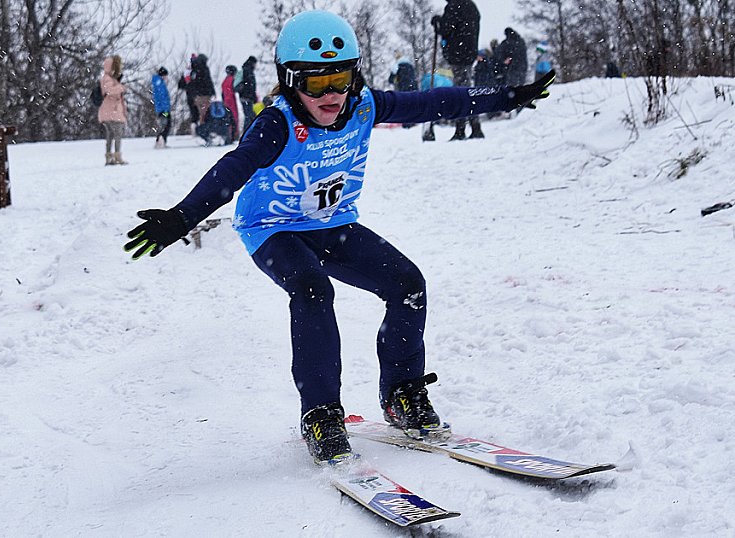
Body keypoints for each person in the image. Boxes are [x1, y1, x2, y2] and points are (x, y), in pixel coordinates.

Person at [124, 10, 555, 465]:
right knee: (312, 291)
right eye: (315, 83)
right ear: (290, 82)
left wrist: (506, 96)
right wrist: (182, 217)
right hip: (273, 230)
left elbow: (433, 102)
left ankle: (402, 395)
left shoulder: (365, 104)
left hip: (332, 224)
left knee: (408, 286)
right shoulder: (278, 123)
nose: (331, 93)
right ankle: (321, 414)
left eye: (341, 77)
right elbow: (234, 168)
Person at [432, 0, 484, 140]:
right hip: (469, 53)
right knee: (466, 89)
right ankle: (474, 126)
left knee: (460, 91)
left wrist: (438, 22)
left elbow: (445, 29)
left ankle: (461, 129)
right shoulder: (471, 5)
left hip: (458, 54)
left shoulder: (454, 6)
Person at [98, 55, 128, 165]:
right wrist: (122, 88)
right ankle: (117, 156)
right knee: (117, 134)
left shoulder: (107, 78)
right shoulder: (108, 79)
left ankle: (109, 156)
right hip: (113, 111)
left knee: (110, 136)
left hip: (108, 111)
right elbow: (109, 90)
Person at [178, 53, 215, 137]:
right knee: (204, 114)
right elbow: (208, 81)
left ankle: (195, 131)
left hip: (192, 96)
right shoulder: (203, 69)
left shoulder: (189, 71)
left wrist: (189, 87)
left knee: (194, 114)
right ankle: (202, 132)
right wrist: (212, 92)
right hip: (202, 95)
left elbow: (181, 84)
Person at [388, 51, 418, 128]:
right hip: (413, 87)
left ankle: (406, 123)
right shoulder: (410, 65)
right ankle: (413, 121)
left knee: (404, 104)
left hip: (403, 87)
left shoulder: (397, 65)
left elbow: (391, 80)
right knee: (412, 104)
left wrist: (395, 79)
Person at [235, 55, 258, 132]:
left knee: (249, 115)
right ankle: (247, 133)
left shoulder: (245, 70)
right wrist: (253, 96)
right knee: (249, 116)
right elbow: (250, 86)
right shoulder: (248, 71)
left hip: (244, 97)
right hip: (247, 98)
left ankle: (248, 132)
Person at [152, 66, 171, 148]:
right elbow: (163, 98)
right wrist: (166, 109)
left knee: (163, 124)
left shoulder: (157, 83)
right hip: (164, 110)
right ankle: (161, 140)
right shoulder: (161, 84)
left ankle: (159, 140)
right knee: (166, 124)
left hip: (160, 109)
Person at [222, 65, 240, 141]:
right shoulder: (232, 79)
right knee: (234, 118)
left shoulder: (225, 80)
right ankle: (234, 136)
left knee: (228, 119)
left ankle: (229, 135)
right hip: (231, 101)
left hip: (225, 101)